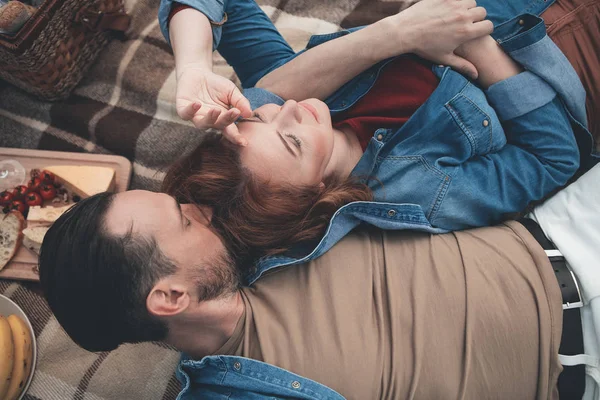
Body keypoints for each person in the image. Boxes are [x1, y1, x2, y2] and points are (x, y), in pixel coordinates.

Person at [39, 163, 600, 399]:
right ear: (169, 296)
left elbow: (265, 90)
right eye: (184, 221)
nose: (202, 211)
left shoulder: (260, 229)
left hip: (560, 230)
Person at [159, 0, 598, 269]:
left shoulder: (297, 98)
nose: (288, 108)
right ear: (317, 190)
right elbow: (554, 160)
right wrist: (476, 45)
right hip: (567, 52)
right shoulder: (421, 191)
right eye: (291, 141)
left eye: (260, 118)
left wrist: (194, 67)